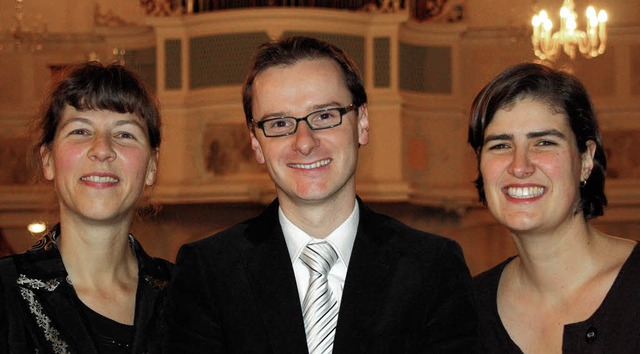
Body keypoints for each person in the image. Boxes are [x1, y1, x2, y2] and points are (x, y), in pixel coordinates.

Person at [163, 35, 477, 353]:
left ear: (362, 122)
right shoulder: (207, 271)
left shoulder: (433, 267)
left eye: (324, 116)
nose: (304, 141)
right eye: (279, 122)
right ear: (256, 142)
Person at [0, 62, 173, 353]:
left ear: (152, 166)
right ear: (48, 160)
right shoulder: (5, 292)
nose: (102, 149)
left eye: (125, 134)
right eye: (80, 131)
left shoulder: (188, 296)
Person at [469, 62, 640, 353]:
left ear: (586, 160)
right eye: (500, 145)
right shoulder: (464, 310)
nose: (519, 166)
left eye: (544, 142)